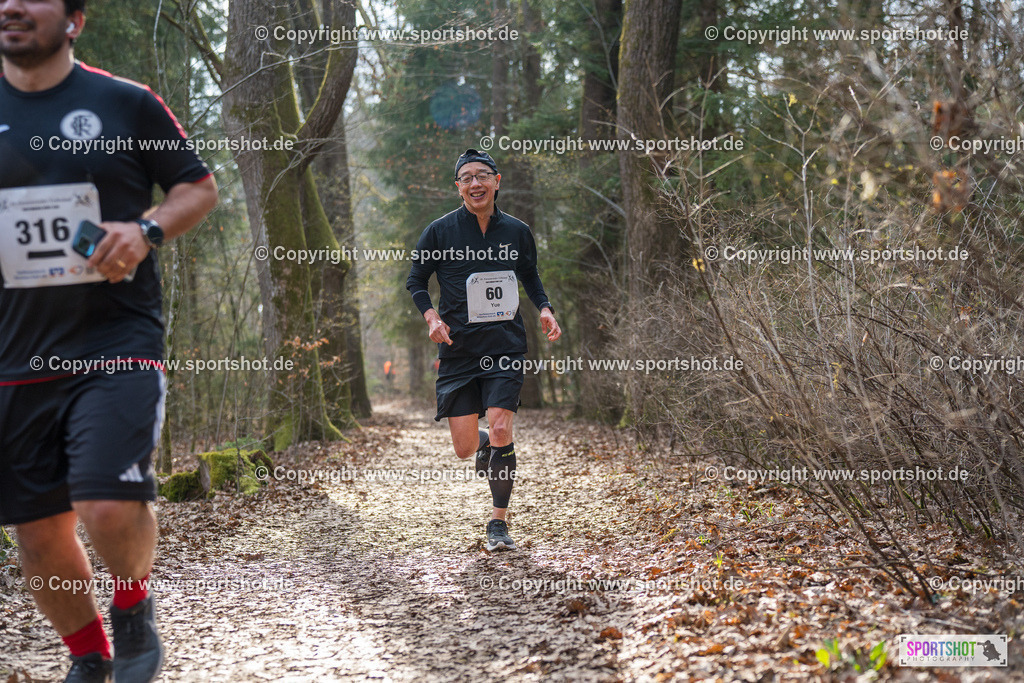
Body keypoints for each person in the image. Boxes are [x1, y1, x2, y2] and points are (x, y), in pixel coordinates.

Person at [0, 1, 218, 681]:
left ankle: (132, 609)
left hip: (115, 339)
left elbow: (198, 186)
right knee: (36, 531)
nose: (10, 5)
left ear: (74, 20)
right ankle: (89, 655)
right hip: (13, 353)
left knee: (104, 499)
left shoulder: (124, 103)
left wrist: (146, 230)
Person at [406, 148, 560, 551]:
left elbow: (529, 273)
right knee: (464, 448)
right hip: (458, 350)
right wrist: (432, 318)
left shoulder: (517, 231)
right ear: (458, 188)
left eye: (483, 176)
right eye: (467, 178)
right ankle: (486, 442)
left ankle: (498, 523)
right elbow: (416, 280)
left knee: (502, 425)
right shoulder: (439, 231)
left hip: (505, 345)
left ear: (497, 181)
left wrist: (544, 308)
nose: (476, 183)